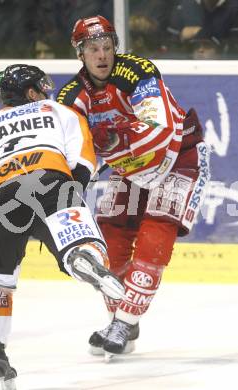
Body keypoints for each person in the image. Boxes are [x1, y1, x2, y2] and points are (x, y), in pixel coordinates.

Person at [56, 15, 210, 358]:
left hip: (179, 155)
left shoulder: (137, 72)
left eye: (107, 46)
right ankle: (122, 317)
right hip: (130, 169)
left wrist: (110, 138)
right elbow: (66, 152)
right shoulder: (71, 96)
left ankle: (123, 322)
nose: (102, 55)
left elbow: (158, 128)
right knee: (110, 240)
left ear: (115, 47)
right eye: (93, 48)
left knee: (155, 235)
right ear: (80, 53)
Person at [0, 64, 125, 387]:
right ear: (30, 93)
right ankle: (81, 256)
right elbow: (82, 161)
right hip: (49, 181)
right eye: (40, 87)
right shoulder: (58, 110)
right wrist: (71, 196)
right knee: (76, 242)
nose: (45, 92)